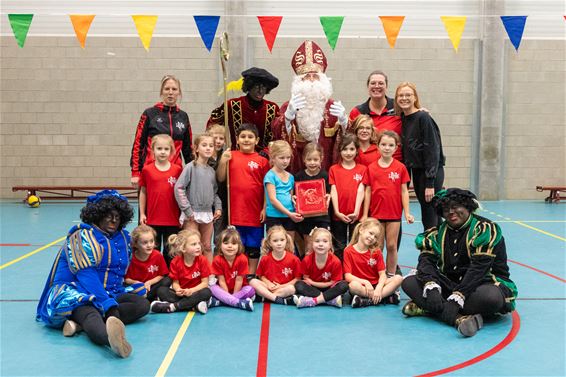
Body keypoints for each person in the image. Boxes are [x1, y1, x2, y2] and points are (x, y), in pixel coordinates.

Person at [36, 190, 150, 358]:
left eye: (117, 217)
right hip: (80, 292)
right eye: (108, 215)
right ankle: (111, 340)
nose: (113, 220)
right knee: (91, 314)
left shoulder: (123, 238)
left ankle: (78, 325)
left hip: (111, 291)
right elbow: (86, 276)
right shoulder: (82, 236)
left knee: (142, 305)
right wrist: (109, 306)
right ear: (97, 215)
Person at [402, 188, 518, 337]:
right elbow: (426, 263)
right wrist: (431, 287)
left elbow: (479, 269)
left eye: (455, 207)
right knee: (408, 282)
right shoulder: (437, 233)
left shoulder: (484, 229)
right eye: (445, 209)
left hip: (481, 283)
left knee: (491, 297)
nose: (450, 212)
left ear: (467, 207)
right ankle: (458, 318)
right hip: (448, 284)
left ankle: (430, 308)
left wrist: (459, 297)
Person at [272, 40, 349, 173]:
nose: (312, 80)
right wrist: (287, 119)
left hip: (326, 167)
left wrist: (344, 123)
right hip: (298, 169)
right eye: (307, 76)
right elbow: (277, 135)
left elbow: (347, 142)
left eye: (316, 76)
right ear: (299, 80)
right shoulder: (289, 106)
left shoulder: (332, 107)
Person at [217, 124, 270, 274]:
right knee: (236, 247)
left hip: (254, 211)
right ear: (237, 140)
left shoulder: (262, 161)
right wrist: (222, 161)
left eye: (250, 137)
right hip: (235, 212)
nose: (246, 140)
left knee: (253, 247)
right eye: (243, 137)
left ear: (257, 140)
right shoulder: (230, 155)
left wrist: (264, 207)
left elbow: (267, 186)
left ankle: (251, 276)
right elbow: (221, 177)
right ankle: (237, 274)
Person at [363, 131, 414, 277]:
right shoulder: (371, 168)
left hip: (393, 214)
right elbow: (368, 191)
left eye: (391, 145)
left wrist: (407, 212)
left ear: (396, 148)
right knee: (377, 247)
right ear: (377, 147)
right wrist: (366, 215)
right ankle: (376, 276)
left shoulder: (400, 167)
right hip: (376, 214)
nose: (387, 148)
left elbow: (404, 191)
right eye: (383, 144)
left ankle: (390, 275)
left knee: (392, 246)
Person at [395, 82, 445, 230]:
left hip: (430, 172)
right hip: (417, 172)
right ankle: (441, 247)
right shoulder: (403, 118)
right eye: (401, 95)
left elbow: (432, 150)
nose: (404, 98)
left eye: (408, 95)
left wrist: (430, 182)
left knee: (429, 214)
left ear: (415, 97)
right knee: (430, 212)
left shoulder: (423, 117)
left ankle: (431, 249)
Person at [130, 75, 192, 188]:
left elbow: (188, 149)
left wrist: (194, 172)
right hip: (151, 172)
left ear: (179, 92)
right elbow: (138, 144)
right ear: (161, 92)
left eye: (174, 89)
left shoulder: (183, 116)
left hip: (175, 173)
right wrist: (135, 172)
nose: (170, 92)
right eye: (167, 89)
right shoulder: (149, 114)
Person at [174, 134, 222, 263]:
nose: (208, 148)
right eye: (204, 145)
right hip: (192, 214)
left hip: (207, 213)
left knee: (206, 246)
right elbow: (179, 188)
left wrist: (218, 207)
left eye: (211, 146)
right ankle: (188, 274)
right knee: (191, 246)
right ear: (196, 148)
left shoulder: (211, 171)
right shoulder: (190, 167)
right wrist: (188, 210)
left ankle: (208, 275)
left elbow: (215, 192)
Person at [207, 67, 280, 152]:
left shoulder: (272, 108)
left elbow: (277, 135)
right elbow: (211, 125)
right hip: (236, 157)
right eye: (257, 87)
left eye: (263, 87)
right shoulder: (232, 105)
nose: (260, 91)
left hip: (263, 159)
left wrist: (267, 152)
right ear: (249, 87)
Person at [138, 134, 182, 264]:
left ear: (172, 151)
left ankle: (169, 278)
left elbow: (182, 193)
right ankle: (154, 276)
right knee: (153, 251)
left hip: (172, 219)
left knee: (171, 252)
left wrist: (182, 214)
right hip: (153, 218)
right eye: (159, 148)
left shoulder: (177, 170)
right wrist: (142, 213)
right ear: (153, 150)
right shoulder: (147, 170)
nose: (163, 152)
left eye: (166, 149)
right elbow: (143, 192)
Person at [343, 218, 404, 308]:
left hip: (376, 284)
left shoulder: (376, 251)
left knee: (398, 278)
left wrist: (379, 287)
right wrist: (366, 282)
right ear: (361, 230)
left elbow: (382, 274)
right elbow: (348, 276)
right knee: (353, 286)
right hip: (362, 286)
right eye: (371, 233)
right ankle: (384, 298)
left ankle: (368, 301)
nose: (372, 238)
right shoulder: (348, 251)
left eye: (375, 237)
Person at [150, 230, 212, 314]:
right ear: (183, 248)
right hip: (182, 295)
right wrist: (178, 290)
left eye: (198, 243)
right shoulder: (175, 262)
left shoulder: (202, 260)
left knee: (206, 292)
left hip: (196, 292)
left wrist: (191, 290)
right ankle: (193, 305)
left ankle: (173, 307)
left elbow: (205, 283)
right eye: (194, 244)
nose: (198, 247)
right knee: (161, 290)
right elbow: (175, 283)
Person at [328, 134, 368, 259]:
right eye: (345, 149)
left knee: (355, 244)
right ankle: (340, 273)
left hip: (356, 215)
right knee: (339, 245)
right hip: (338, 215)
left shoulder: (362, 169)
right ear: (340, 151)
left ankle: (353, 270)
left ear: (357, 150)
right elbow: (333, 190)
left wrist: (356, 212)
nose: (348, 153)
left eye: (351, 149)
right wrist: (337, 212)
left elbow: (361, 190)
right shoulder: (334, 169)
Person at [348, 70, 403, 162]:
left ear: (386, 86)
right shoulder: (357, 112)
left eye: (381, 83)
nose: (377, 86)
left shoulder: (398, 107)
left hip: (396, 166)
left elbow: (413, 116)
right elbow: (349, 139)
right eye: (373, 83)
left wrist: (420, 112)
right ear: (368, 86)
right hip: (366, 166)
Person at [293, 228, 348, 308]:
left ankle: (314, 301)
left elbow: (333, 282)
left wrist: (313, 283)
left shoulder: (335, 261)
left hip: (329, 288)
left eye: (325, 241)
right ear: (312, 244)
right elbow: (306, 279)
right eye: (317, 241)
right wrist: (313, 284)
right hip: (313, 289)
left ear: (330, 245)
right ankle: (330, 300)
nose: (320, 244)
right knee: (299, 285)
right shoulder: (307, 260)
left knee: (344, 285)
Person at [293, 142, 331, 255]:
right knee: (309, 248)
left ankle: (325, 272)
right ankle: (308, 272)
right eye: (309, 159)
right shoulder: (298, 176)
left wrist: (329, 196)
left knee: (326, 247)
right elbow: (296, 196)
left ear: (321, 159)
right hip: (306, 218)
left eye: (315, 159)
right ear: (304, 159)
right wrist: (295, 199)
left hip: (323, 217)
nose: (312, 163)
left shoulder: (325, 176)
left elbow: (329, 193)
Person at [249, 226, 301, 305]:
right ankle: (276, 298)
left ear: (286, 240)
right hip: (268, 287)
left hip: (283, 288)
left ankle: (266, 297)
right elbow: (261, 276)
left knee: (291, 289)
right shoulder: (265, 258)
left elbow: (297, 278)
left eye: (282, 240)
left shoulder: (294, 259)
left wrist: (281, 286)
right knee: (253, 281)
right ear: (270, 242)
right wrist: (268, 283)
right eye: (275, 241)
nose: (279, 243)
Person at [207, 228, 255, 311]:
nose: (230, 246)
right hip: (223, 289)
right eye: (226, 243)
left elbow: (239, 280)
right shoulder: (217, 259)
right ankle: (239, 303)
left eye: (234, 243)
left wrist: (231, 296)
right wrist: (226, 294)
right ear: (219, 245)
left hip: (239, 289)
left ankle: (220, 301)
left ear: (239, 245)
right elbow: (221, 281)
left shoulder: (242, 259)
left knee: (251, 290)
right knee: (212, 288)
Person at [264, 140, 303, 238]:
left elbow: (291, 197)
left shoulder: (290, 177)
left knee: (289, 244)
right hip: (275, 216)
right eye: (281, 158)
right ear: (273, 158)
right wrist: (289, 214)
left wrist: (298, 206)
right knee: (275, 243)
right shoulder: (270, 176)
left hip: (289, 216)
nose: (285, 161)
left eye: (288, 157)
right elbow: (273, 200)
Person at [124, 225, 171, 302]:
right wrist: (137, 283)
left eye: (151, 241)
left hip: (152, 287)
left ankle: (148, 297)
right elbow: (126, 279)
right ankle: (146, 298)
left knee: (167, 280)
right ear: (135, 244)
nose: (149, 245)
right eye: (145, 243)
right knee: (126, 288)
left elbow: (161, 275)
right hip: (137, 287)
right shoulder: (130, 257)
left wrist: (149, 282)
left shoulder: (157, 255)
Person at [207, 124, 228, 241]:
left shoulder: (224, 155)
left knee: (219, 237)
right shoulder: (204, 156)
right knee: (205, 237)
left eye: (221, 138)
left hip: (222, 200)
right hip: (207, 202)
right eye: (215, 138)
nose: (218, 141)